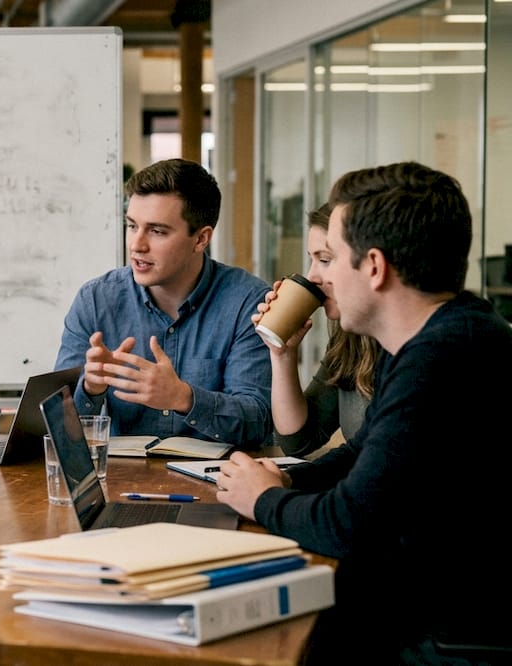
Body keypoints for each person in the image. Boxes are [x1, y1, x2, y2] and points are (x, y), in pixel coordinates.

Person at [216, 161, 512, 663]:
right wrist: (288, 482)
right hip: (427, 604)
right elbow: (360, 451)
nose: (315, 278)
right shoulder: (447, 334)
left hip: (451, 637)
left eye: (330, 260)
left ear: (373, 267)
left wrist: (263, 500)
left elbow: (346, 524)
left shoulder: (442, 359)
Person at [53, 158, 272, 448]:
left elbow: (259, 421)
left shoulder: (248, 302)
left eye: (157, 231)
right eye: (132, 226)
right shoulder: (96, 300)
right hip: (121, 484)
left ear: (201, 239)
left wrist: (183, 398)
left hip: (219, 486)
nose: (136, 245)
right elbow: (56, 429)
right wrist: (91, 389)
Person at [253, 202, 379, 457]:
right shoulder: (351, 340)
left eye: (324, 259)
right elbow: (298, 441)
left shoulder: (420, 348)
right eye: (312, 260)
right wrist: (283, 355)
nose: (312, 276)